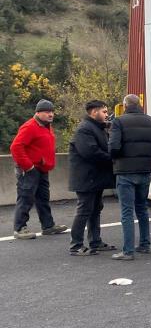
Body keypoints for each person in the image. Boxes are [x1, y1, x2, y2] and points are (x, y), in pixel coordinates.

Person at [109, 94, 151, 260]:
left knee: (127, 211)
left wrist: (116, 158)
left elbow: (114, 147)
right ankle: (145, 244)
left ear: (125, 105)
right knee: (142, 208)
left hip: (125, 172)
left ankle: (128, 251)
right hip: (145, 170)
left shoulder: (118, 122)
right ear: (139, 104)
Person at [10, 99, 68, 240]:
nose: (51, 114)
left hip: (42, 168)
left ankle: (48, 226)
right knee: (26, 197)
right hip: (29, 169)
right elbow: (15, 147)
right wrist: (28, 166)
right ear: (37, 113)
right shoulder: (29, 126)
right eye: (47, 112)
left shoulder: (47, 126)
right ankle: (19, 228)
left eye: (52, 111)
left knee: (43, 198)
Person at [67, 100, 116, 255]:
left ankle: (95, 241)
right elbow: (90, 152)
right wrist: (112, 158)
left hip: (95, 177)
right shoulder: (84, 129)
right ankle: (76, 245)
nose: (107, 114)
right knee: (84, 210)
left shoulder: (98, 128)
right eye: (104, 111)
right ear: (94, 112)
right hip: (86, 177)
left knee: (95, 209)